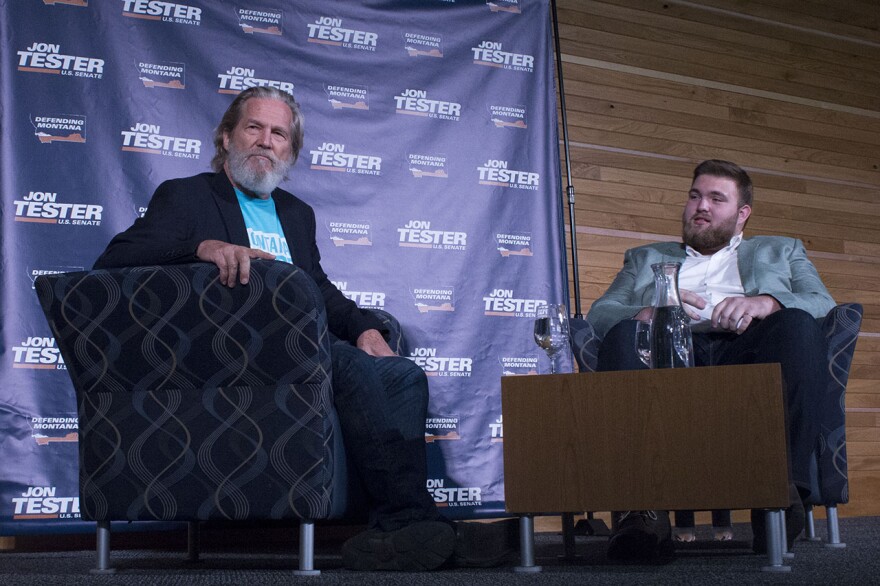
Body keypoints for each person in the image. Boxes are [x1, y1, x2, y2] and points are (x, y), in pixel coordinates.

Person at [93, 86, 510, 571]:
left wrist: (365, 329)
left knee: (401, 374)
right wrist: (201, 248)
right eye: (254, 127)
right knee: (349, 368)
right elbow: (112, 265)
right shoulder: (186, 197)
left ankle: (393, 531)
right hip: (231, 360)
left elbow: (317, 289)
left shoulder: (295, 213)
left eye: (279, 134)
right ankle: (412, 520)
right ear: (226, 137)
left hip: (304, 353)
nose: (266, 141)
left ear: (290, 150)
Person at [587, 159, 836, 561]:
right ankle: (640, 512)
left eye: (716, 199)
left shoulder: (781, 249)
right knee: (623, 332)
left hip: (748, 349)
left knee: (797, 325)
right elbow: (601, 312)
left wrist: (766, 302)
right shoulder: (644, 257)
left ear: (742, 215)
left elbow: (823, 302)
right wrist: (651, 309)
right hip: (665, 352)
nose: (700, 206)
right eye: (694, 196)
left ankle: (781, 493)